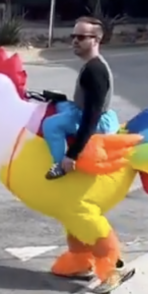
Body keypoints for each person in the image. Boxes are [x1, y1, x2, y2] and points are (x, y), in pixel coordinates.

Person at [45, 16, 120, 179]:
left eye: (81, 37)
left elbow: (91, 118)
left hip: (98, 121)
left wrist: (72, 154)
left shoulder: (95, 71)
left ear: (96, 40)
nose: (74, 41)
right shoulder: (91, 64)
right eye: (73, 37)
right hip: (86, 111)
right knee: (60, 105)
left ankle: (60, 166)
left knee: (51, 125)